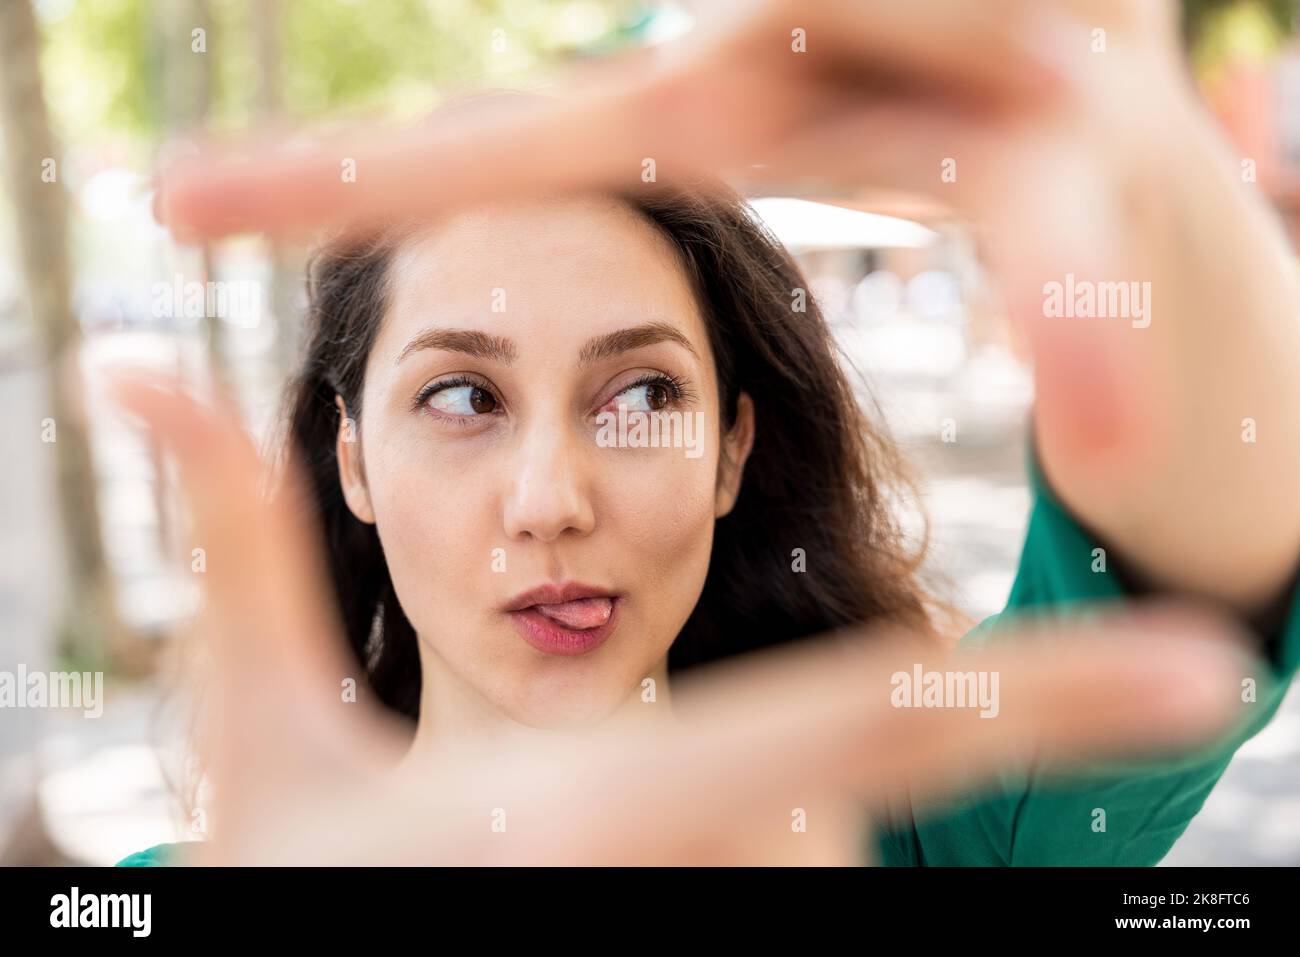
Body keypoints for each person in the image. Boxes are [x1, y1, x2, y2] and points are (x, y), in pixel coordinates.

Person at [118, 0, 1300, 865]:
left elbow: (1201, 567)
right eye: (464, 398)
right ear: (354, 460)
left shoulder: (932, 816)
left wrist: (1147, 168)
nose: (550, 500)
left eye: (639, 397)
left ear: (733, 449)